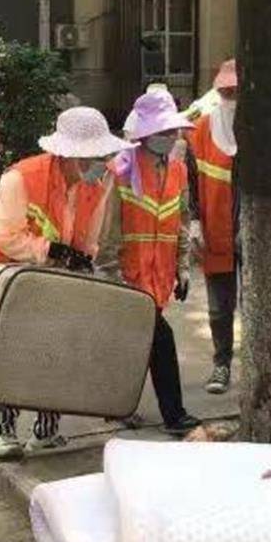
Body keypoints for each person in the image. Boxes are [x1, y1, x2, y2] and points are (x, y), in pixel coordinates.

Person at [0, 106, 133, 461]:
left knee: (56, 353)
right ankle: (3, 431)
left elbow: (91, 235)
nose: (99, 164)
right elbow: (6, 236)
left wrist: (83, 260)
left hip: (59, 279)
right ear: (67, 155)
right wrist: (51, 250)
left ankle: (46, 431)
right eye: (91, 158)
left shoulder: (98, 182)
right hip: (13, 281)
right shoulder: (22, 178)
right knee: (11, 358)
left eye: (101, 156)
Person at [97, 91, 203, 436]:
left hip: (158, 277)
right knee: (160, 342)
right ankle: (174, 415)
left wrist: (183, 267)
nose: (173, 138)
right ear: (146, 135)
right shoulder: (122, 171)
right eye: (165, 132)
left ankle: (117, 407)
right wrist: (111, 278)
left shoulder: (176, 170)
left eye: (173, 131)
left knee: (134, 345)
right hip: (130, 278)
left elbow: (181, 219)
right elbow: (108, 231)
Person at [185, 59, 239, 394]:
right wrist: (193, 221)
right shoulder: (203, 129)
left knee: (256, 304)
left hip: (253, 232)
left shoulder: (260, 128)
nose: (231, 97)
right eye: (225, 91)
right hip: (215, 228)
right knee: (220, 308)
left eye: (236, 90)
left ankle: (261, 366)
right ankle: (221, 365)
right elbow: (191, 179)